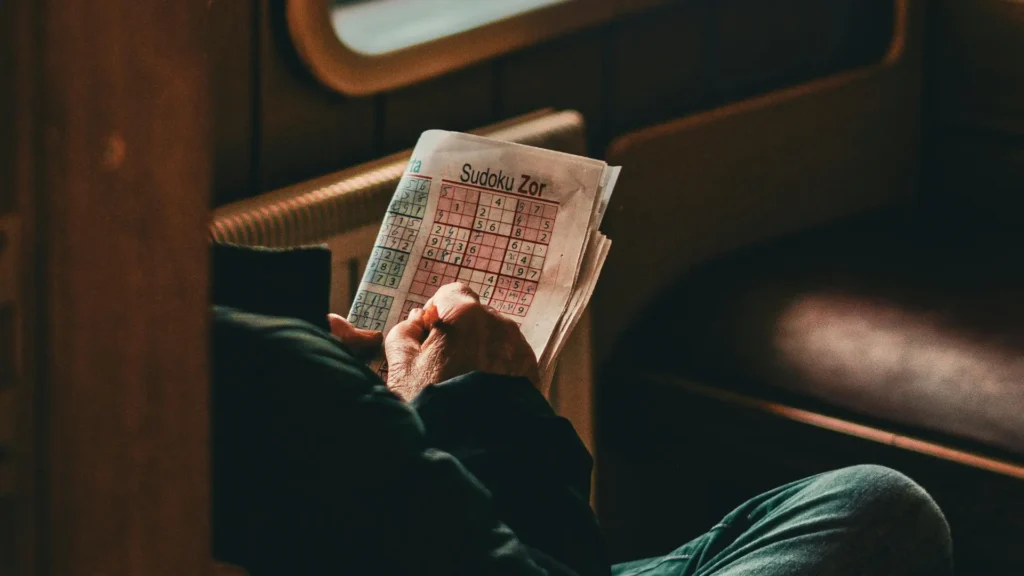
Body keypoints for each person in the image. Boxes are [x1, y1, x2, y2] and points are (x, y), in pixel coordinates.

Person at [210, 243, 954, 575]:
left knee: (874, 501)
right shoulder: (271, 372)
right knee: (885, 523)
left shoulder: (189, 342)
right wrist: (480, 400)